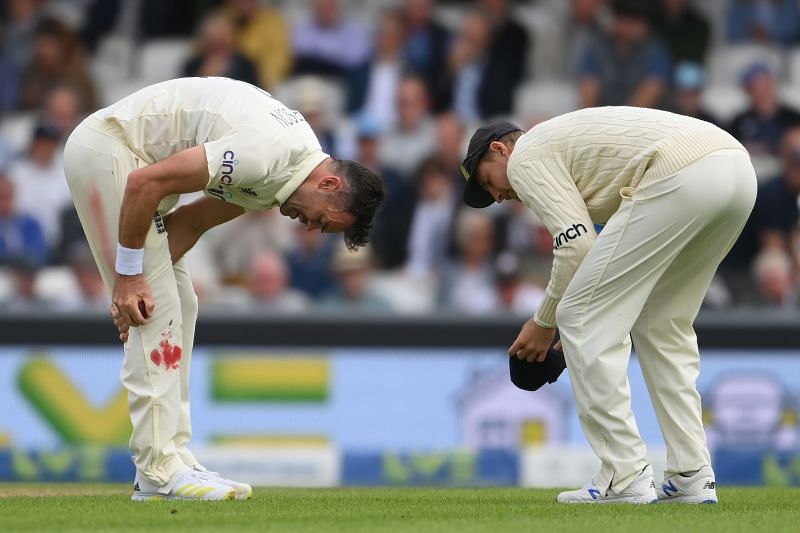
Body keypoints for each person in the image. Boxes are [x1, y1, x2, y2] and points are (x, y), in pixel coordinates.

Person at [62, 77, 385, 501]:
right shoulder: (265, 156)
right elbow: (145, 184)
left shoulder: (281, 179)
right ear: (329, 185)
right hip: (109, 149)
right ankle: (157, 472)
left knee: (180, 304)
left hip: (134, 170)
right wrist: (128, 280)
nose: (307, 228)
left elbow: (189, 224)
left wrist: (136, 294)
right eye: (320, 221)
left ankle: (172, 455)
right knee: (159, 309)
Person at [460, 107, 756, 504]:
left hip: (681, 173)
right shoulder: (568, 152)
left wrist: (545, 322)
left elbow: (577, 247)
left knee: (578, 316)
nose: (497, 196)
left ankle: (625, 475)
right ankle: (691, 473)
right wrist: (590, 319)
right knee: (661, 321)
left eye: (487, 181)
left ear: (500, 150)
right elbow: (602, 250)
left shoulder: (526, 155)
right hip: (736, 170)